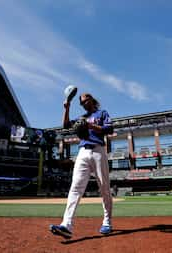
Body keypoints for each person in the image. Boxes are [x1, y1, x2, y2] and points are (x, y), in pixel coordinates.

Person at [50, 93, 114, 239]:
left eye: (86, 100)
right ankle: (66, 224)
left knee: (104, 187)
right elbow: (66, 126)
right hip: (82, 152)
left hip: (98, 150)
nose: (84, 103)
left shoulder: (102, 113)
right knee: (75, 188)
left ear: (92, 99)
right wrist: (67, 108)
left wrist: (91, 125)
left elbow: (109, 129)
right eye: (82, 103)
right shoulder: (81, 118)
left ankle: (107, 222)